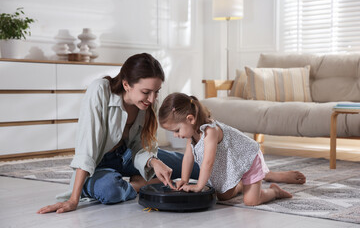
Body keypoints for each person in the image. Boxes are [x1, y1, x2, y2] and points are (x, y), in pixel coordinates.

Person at [37, 53, 199, 214]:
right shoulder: (100, 90)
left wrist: (153, 161)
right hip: (98, 163)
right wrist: (73, 200)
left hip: (128, 157)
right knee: (110, 190)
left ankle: (143, 178)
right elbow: (87, 148)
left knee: (193, 167)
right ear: (126, 84)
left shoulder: (147, 104)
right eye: (146, 92)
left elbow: (140, 147)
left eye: (156, 91)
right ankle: (139, 184)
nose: (152, 99)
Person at [159, 93, 293, 205]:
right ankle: (241, 183)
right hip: (233, 163)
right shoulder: (192, 136)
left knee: (251, 201)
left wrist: (199, 186)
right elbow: (188, 158)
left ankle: (274, 192)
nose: (176, 135)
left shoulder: (210, 131)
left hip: (248, 159)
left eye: (177, 130)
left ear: (190, 119)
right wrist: (184, 180)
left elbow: (208, 162)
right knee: (223, 196)